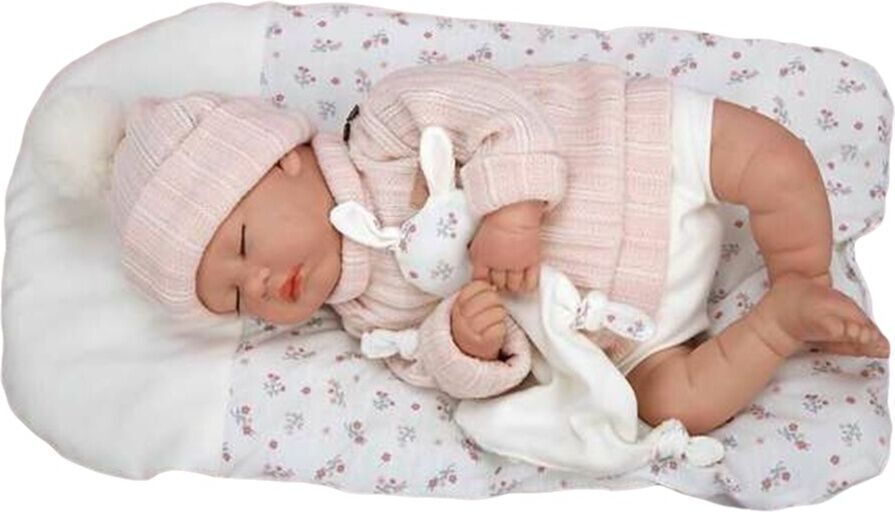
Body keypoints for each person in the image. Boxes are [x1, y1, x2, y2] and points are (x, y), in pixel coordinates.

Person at [31, 60, 889, 436]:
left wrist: (510, 208)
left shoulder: (384, 127)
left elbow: (495, 106)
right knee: (671, 404)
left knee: (769, 158)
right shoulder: (368, 317)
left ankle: (800, 266)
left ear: (283, 158)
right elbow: (435, 370)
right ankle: (784, 318)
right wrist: (465, 348)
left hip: (636, 160)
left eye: (245, 243)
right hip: (628, 324)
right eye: (231, 296)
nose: (260, 283)